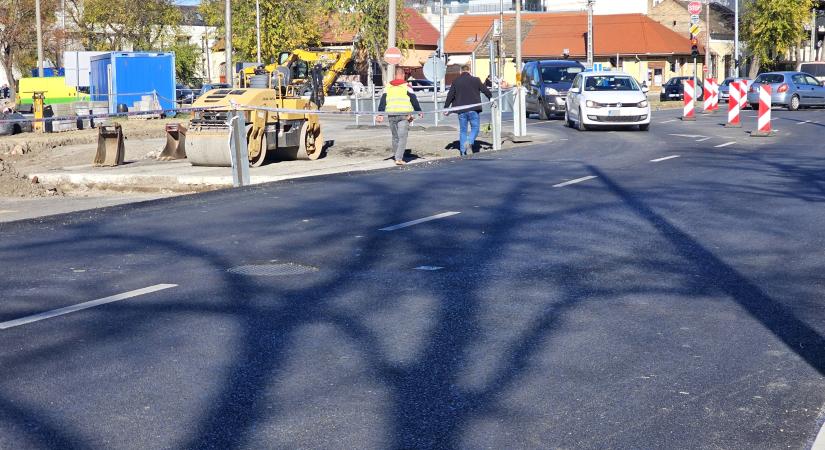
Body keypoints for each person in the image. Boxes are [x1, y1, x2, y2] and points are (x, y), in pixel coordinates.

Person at [377, 68, 423, 166]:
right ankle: (398, 158)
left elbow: (383, 101)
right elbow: (414, 100)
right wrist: (419, 111)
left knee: (395, 137)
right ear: (402, 75)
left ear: (395, 75)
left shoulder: (388, 86)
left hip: (391, 115)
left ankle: (396, 156)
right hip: (404, 115)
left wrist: (380, 114)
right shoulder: (407, 86)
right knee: (402, 137)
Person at [444, 64, 492, 155]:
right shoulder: (476, 80)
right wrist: (491, 98)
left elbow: (450, 95)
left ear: (460, 72)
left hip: (461, 111)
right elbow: (485, 90)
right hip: (473, 109)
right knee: (475, 128)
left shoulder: (456, 81)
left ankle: (463, 152)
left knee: (463, 130)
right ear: (469, 71)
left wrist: (446, 107)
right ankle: (469, 142)